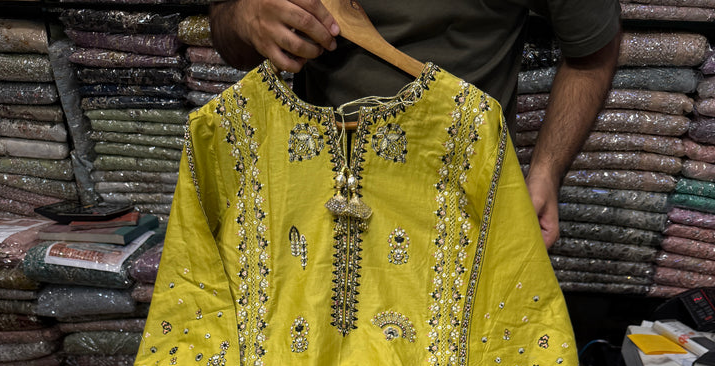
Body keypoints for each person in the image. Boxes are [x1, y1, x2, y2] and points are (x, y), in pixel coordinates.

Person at [208, 0, 622, 249]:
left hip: (461, 218)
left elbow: (592, 52)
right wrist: (245, 15)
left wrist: (546, 172)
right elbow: (228, 33)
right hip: (315, 213)